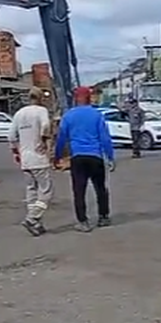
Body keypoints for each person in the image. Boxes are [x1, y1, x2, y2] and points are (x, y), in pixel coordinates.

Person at [54, 86, 115, 232]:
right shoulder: (97, 115)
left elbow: (61, 138)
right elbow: (105, 138)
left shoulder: (68, 116)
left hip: (78, 157)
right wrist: (110, 157)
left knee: (79, 190)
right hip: (95, 156)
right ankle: (103, 217)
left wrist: (57, 156)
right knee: (100, 188)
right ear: (89, 98)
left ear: (75, 99)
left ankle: (83, 222)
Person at [8, 87, 54, 236]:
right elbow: (46, 126)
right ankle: (32, 218)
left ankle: (36, 224)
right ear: (40, 98)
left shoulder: (19, 114)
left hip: (25, 159)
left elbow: (11, 137)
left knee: (31, 191)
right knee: (46, 192)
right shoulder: (41, 111)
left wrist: (16, 151)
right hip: (38, 158)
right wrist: (43, 141)